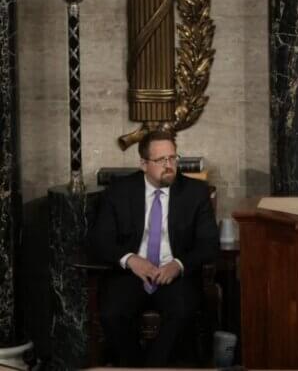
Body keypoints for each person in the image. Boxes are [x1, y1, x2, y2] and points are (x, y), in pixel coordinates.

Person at [88, 130, 219, 367]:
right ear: (143, 164)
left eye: (173, 158)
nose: (169, 166)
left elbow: (209, 243)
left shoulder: (196, 193)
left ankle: (151, 367)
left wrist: (178, 265)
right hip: (132, 274)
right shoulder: (119, 191)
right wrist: (130, 259)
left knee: (182, 312)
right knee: (111, 314)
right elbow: (99, 239)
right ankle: (136, 365)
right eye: (161, 160)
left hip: (174, 274)